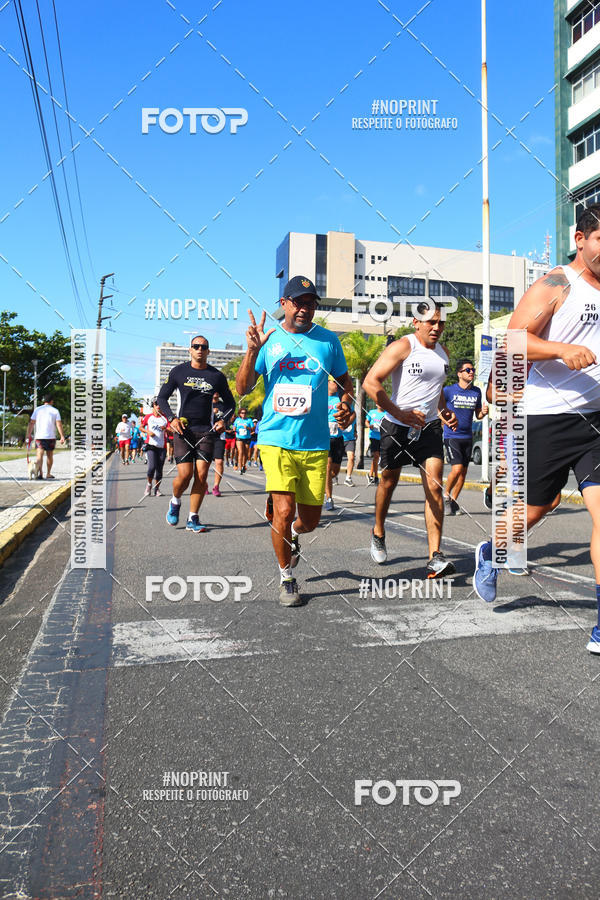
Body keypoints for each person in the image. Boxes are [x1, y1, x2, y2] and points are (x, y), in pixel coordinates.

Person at [473, 204, 600, 654]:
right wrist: (561, 349)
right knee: (536, 509)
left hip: (597, 420)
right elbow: (512, 340)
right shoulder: (556, 284)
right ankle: (491, 551)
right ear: (581, 240)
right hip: (548, 417)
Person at [236, 275, 354, 606]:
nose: (305, 309)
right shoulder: (269, 340)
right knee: (284, 510)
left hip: (315, 443)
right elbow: (243, 388)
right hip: (275, 438)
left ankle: (292, 534)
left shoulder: (328, 341)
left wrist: (346, 406)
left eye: (311, 303)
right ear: (284, 304)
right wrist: (252, 351)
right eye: (298, 302)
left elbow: (345, 382)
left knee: (310, 522)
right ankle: (286, 578)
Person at [363, 301, 458, 577]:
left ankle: (435, 556)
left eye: (441, 322)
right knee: (388, 482)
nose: (437, 327)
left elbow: (436, 389)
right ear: (416, 322)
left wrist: (444, 412)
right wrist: (400, 413)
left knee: (434, 486)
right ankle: (378, 530)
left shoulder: (443, 353)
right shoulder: (403, 346)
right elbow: (371, 382)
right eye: (431, 322)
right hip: (397, 427)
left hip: (429, 428)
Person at [157, 335, 235, 532]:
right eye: (196, 346)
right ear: (190, 350)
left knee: (201, 475)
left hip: (206, 432)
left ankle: (193, 517)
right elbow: (162, 398)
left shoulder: (216, 376)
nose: (200, 349)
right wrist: (171, 419)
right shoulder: (178, 371)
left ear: (208, 351)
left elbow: (230, 404)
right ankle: (175, 501)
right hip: (183, 430)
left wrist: (223, 421)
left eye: (203, 347)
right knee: (185, 475)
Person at [443, 359, 488, 516]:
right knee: (456, 469)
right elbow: (438, 409)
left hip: (467, 436)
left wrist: (483, 413)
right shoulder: (448, 391)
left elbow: (478, 414)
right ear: (459, 373)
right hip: (452, 435)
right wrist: (445, 421)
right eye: (468, 370)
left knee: (463, 473)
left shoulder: (476, 392)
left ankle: (453, 501)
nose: (471, 372)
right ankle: (445, 496)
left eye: (472, 370)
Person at [325, 379, 355, 511]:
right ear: (327, 383)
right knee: (328, 466)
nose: (336, 385)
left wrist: (347, 423)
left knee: (335, 470)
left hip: (338, 438)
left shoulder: (341, 399)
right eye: (333, 382)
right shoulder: (320, 398)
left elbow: (353, 414)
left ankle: (325, 483)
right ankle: (329, 498)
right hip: (324, 438)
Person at [26, 395, 66, 479]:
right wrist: (62, 436)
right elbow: (59, 424)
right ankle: (48, 473)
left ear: (44, 401)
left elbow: (32, 423)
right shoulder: (55, 411)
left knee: (39, 455)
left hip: (39, 436)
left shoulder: (37, 409)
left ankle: (40, 473)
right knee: (49, 456)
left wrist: (28, 435)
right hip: (51, 436)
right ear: (51, 401)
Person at [210, 393, 230, 496]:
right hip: (206, 435)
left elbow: (229, 418)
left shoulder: (224, 405)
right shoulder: (205, 402)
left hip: (219, 436)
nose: (216, 393)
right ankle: (203, 484)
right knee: (203, 463)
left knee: (219, 461)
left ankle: (216, 486)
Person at [366, 404, 385, 485]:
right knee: (376, 455)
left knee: (378, 457)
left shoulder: (386, 414)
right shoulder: (372, 412)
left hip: (383, 437)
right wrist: (369, 426)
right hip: (373, 436)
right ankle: (376, 476)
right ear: (376, 404)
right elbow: (367, 421)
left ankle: (370, 474)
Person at [233, 407, 252, 472]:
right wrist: (234, 429)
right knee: (240, 452)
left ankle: (244, 465)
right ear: (239, 414)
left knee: (246, 453)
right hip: (239, 437)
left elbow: (253, 429)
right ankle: (240, 467)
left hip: (247, 438)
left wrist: (248, 428)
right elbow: (234, 427)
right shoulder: (237, 420)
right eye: (242, 413)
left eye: (245, 413)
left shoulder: (249, 420)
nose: (243, 414)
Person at [341, 407, 357, 486]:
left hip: (350, 439)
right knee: (336, 461)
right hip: (339, 439)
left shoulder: (353, 415)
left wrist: (355, 432)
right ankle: (334, 476)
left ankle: (348, 478)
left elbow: (354, 424)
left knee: (351, 457)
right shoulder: (339, 415)